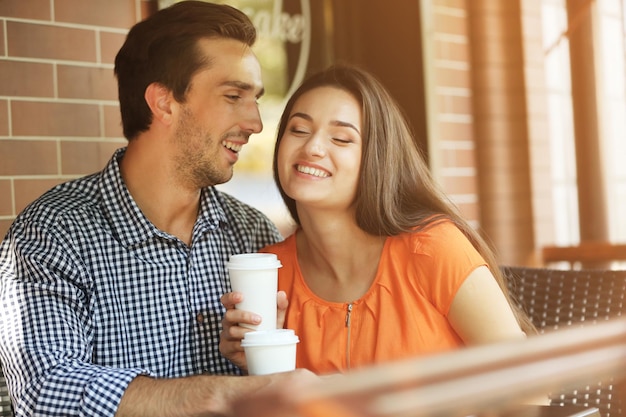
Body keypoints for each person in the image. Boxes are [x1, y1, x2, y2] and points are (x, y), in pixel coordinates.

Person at [0, 2, 314, 416]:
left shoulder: (252, 232)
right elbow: (45, 390)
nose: (255, 122)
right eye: (233, 95)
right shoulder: (52, 235)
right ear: (163, 102)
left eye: (255, 99)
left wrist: (257, 358)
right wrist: (220, 394)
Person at [220, 64, 537, 375]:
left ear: (377, 157)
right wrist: (259, 366)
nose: (313, 147)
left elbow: (528, 386)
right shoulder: (272, 276)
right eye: (299, 130)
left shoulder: (432, 250)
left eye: (341, 139)